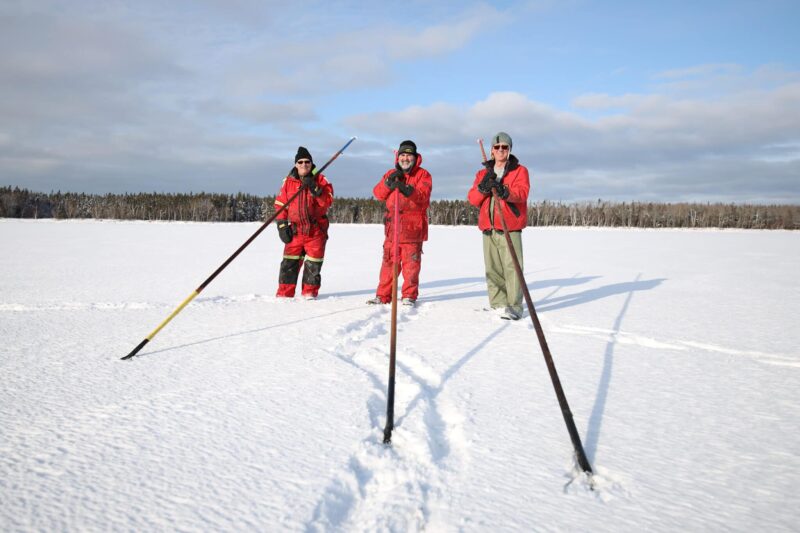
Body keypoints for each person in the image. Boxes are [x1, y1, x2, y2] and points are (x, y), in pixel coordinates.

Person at [467, 132, 530, 320]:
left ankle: (514, 306)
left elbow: (522, 193)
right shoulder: (482, 173)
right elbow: (473, 199)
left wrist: (504, 191)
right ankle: (498, 303)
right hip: (489, 227)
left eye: (505, 147)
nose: (501, 150)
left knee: (513, 268)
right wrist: (483, 188)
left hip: (510, 226)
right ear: (491, 151)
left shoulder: (520, 171)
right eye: (497, 147)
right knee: (492, 268)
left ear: (509, 150)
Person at [367, 140, 432, 307]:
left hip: (412, 229)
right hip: (392, 229)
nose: (405, 158)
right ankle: (382, 295)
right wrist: (388, 183)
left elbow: (423, 197)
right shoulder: (391, 173)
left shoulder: (423, 175)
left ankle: (409, 296)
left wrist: (406, 189)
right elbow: (378, 193)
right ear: (398, 157)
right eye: (402, 155)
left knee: (411, 265)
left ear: (415, 157)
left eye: (408, 155)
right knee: (388, 264)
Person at [274, 146, 334, 299]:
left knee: (313, 266)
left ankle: (309, 296)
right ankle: (284, 297)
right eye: (300, 162)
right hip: (295, 231)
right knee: (288, 265)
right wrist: (281, 225)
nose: (303, 164)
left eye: (307, 162)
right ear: (296, 164)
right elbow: (281, 205)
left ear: (311, 163)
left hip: (315, 231)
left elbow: (327, 202)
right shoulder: (288, 182)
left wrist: (315, 189)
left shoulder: (321, 179)